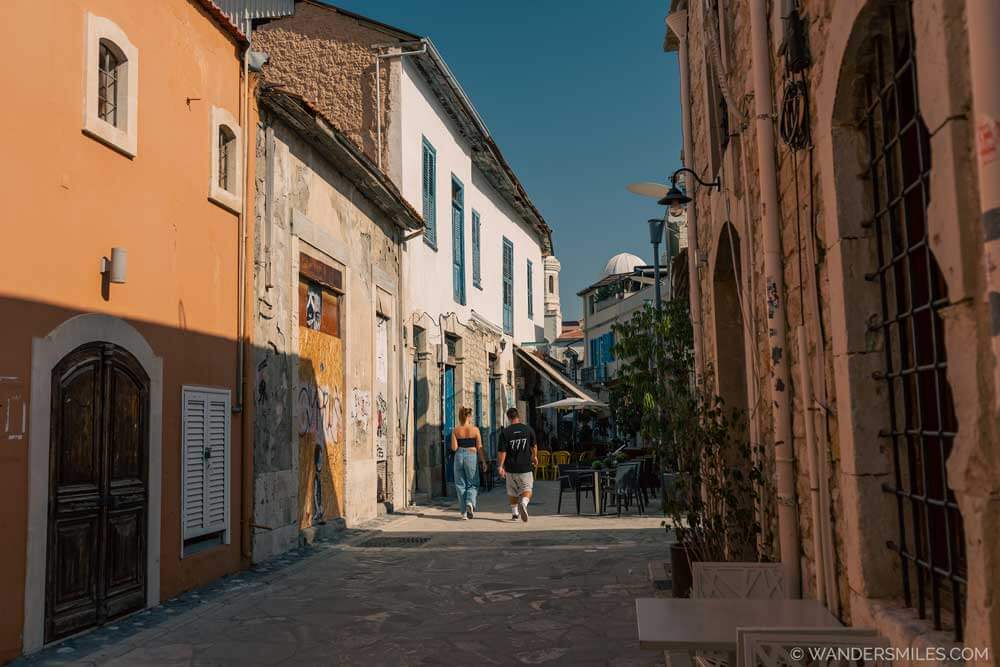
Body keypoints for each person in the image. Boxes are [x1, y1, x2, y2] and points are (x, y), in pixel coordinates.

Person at [497, 407, 538, 522]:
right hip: (525, 467)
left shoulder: (505, 432)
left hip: (511, 468)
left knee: (512, 491)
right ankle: (524, 503)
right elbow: (534, 446)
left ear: (508, 418)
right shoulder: (528, 429)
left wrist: (500, 466)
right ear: (518, 416)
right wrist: (534, 457)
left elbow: (502, 452)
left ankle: (515, 514)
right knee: (527, 488)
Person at [450, 406, 487, 519]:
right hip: (471, 454)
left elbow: (454, 448)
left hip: (459, 456)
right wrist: (483, 461)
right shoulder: (475, 430)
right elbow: (479, 447)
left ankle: (463, 513)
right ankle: (470, 502)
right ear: (469, 416)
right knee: (473, 483)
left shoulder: (455, 430)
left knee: (460, 484)